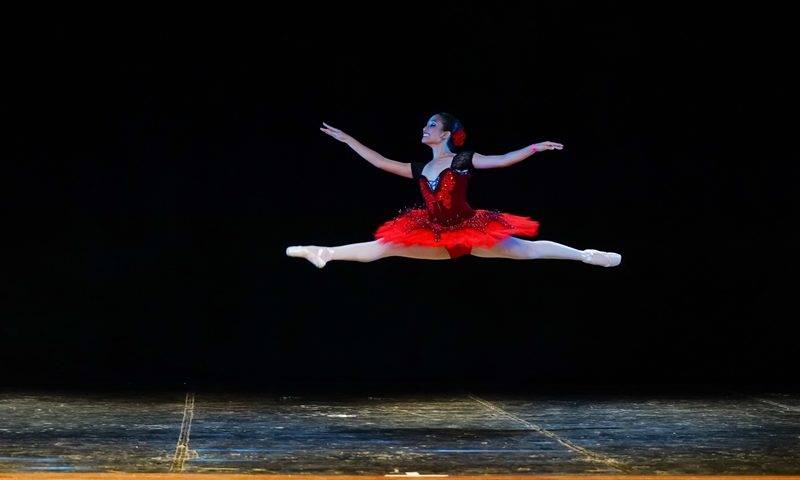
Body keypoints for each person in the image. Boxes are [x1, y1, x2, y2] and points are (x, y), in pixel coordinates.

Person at [286, 113, 621, 269]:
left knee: (527, 252)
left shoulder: (463, 159)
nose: (424, 127)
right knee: (384, 247)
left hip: (470, 230)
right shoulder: (419, 168)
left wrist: (533, 148)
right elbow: (380, 162)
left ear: (445, 132)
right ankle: (325, 252)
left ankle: (586, 255)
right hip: (435, 235)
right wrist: (348, 140)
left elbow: (502, 160)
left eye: (431, 124)